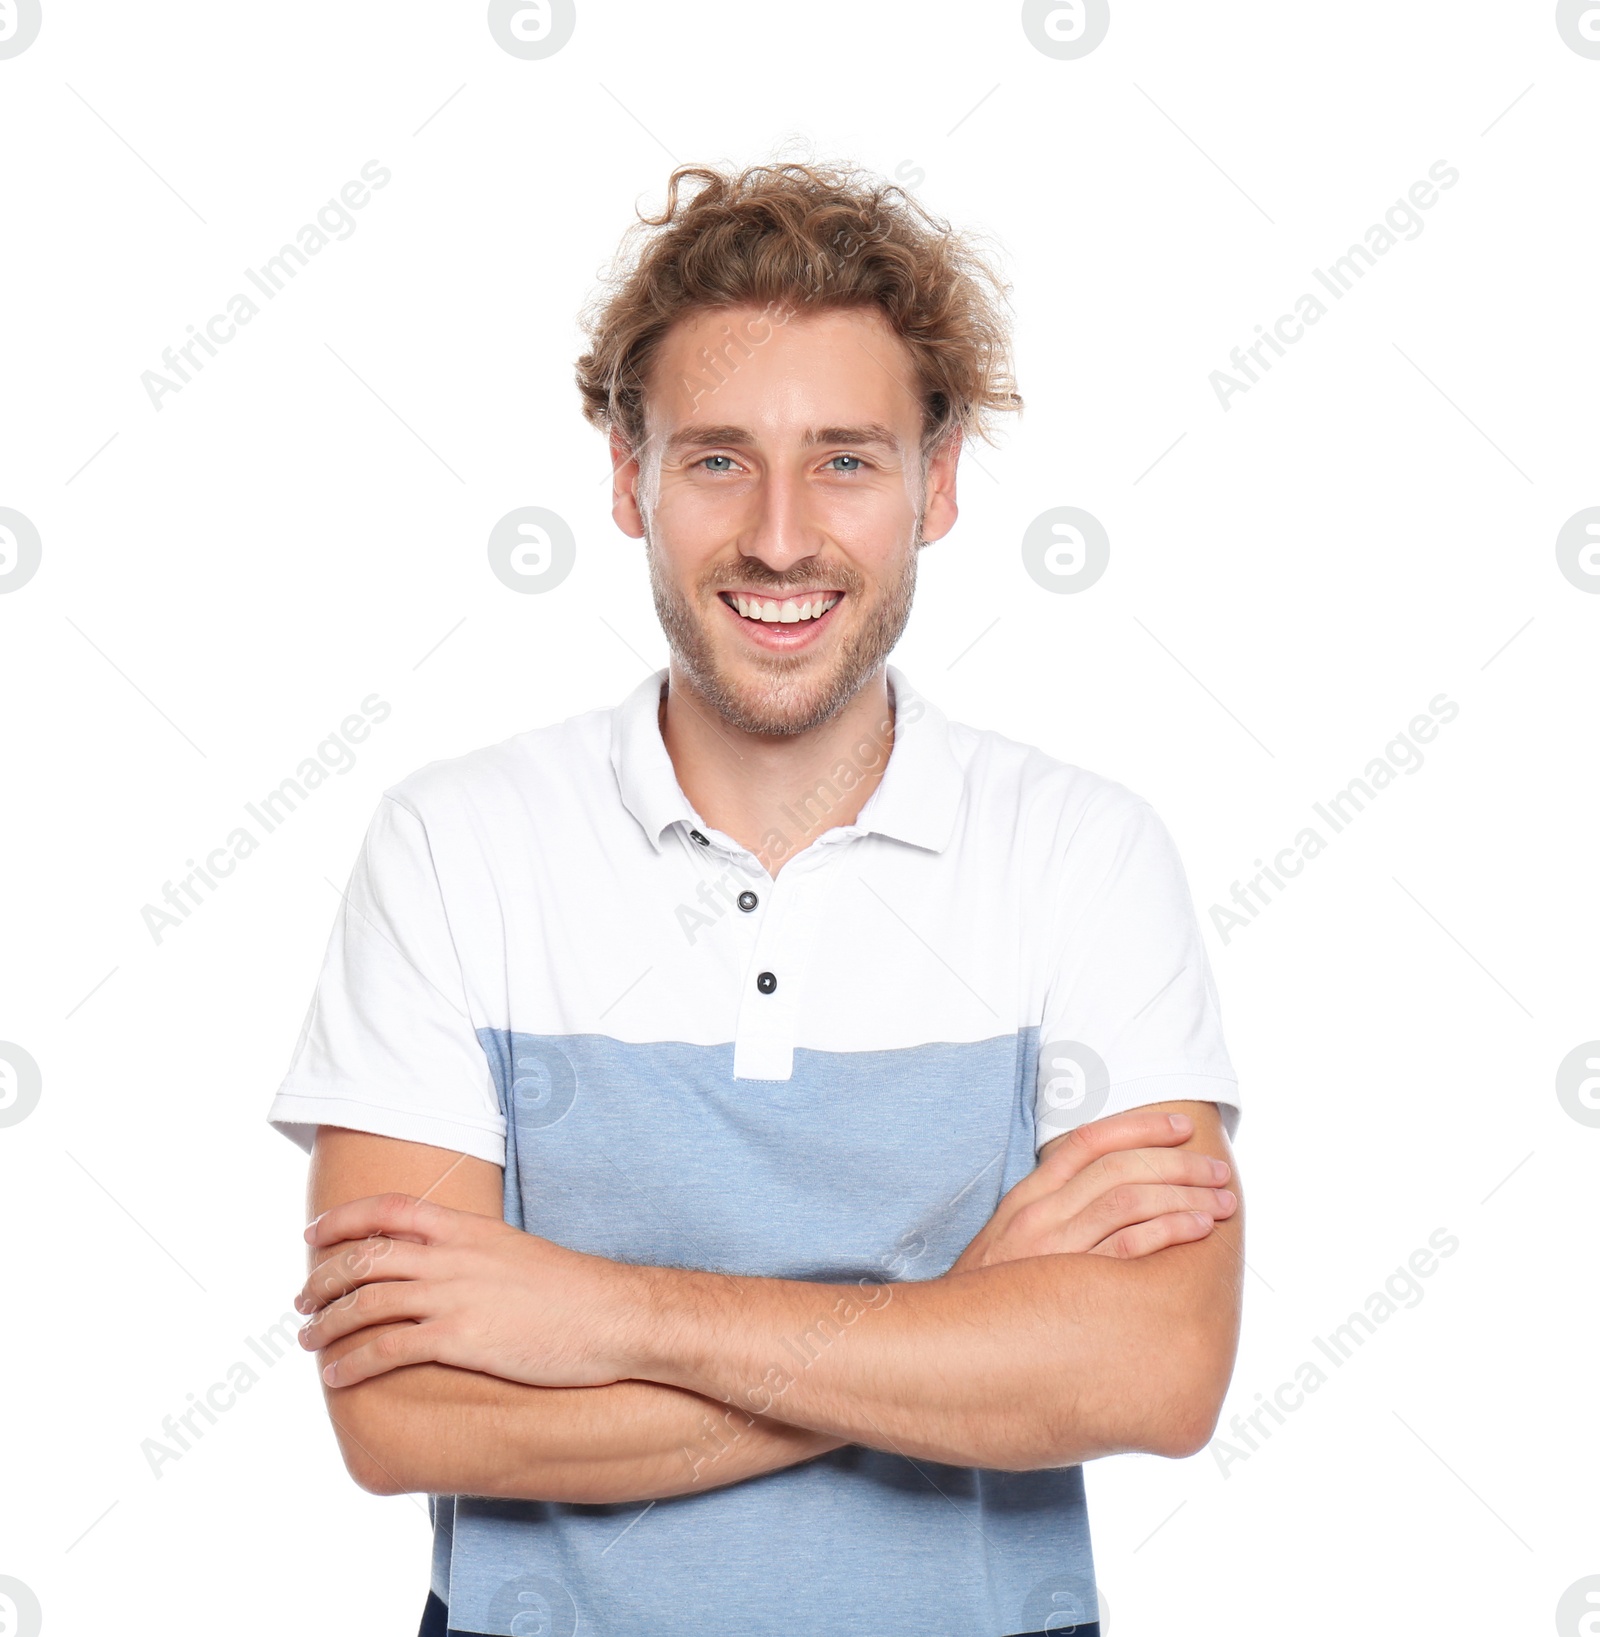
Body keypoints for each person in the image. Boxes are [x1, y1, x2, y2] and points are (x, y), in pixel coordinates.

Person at [270, 160, 1244, 1637]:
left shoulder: (1085, 853)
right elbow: (405, 1413)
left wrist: (608, 1312)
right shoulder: (453, 848)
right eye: (718, 457)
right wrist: (957, 1319)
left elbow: (1156, 1375)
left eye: (847, 459)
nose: (782, 536)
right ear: (626, 475)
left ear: (941, 478)